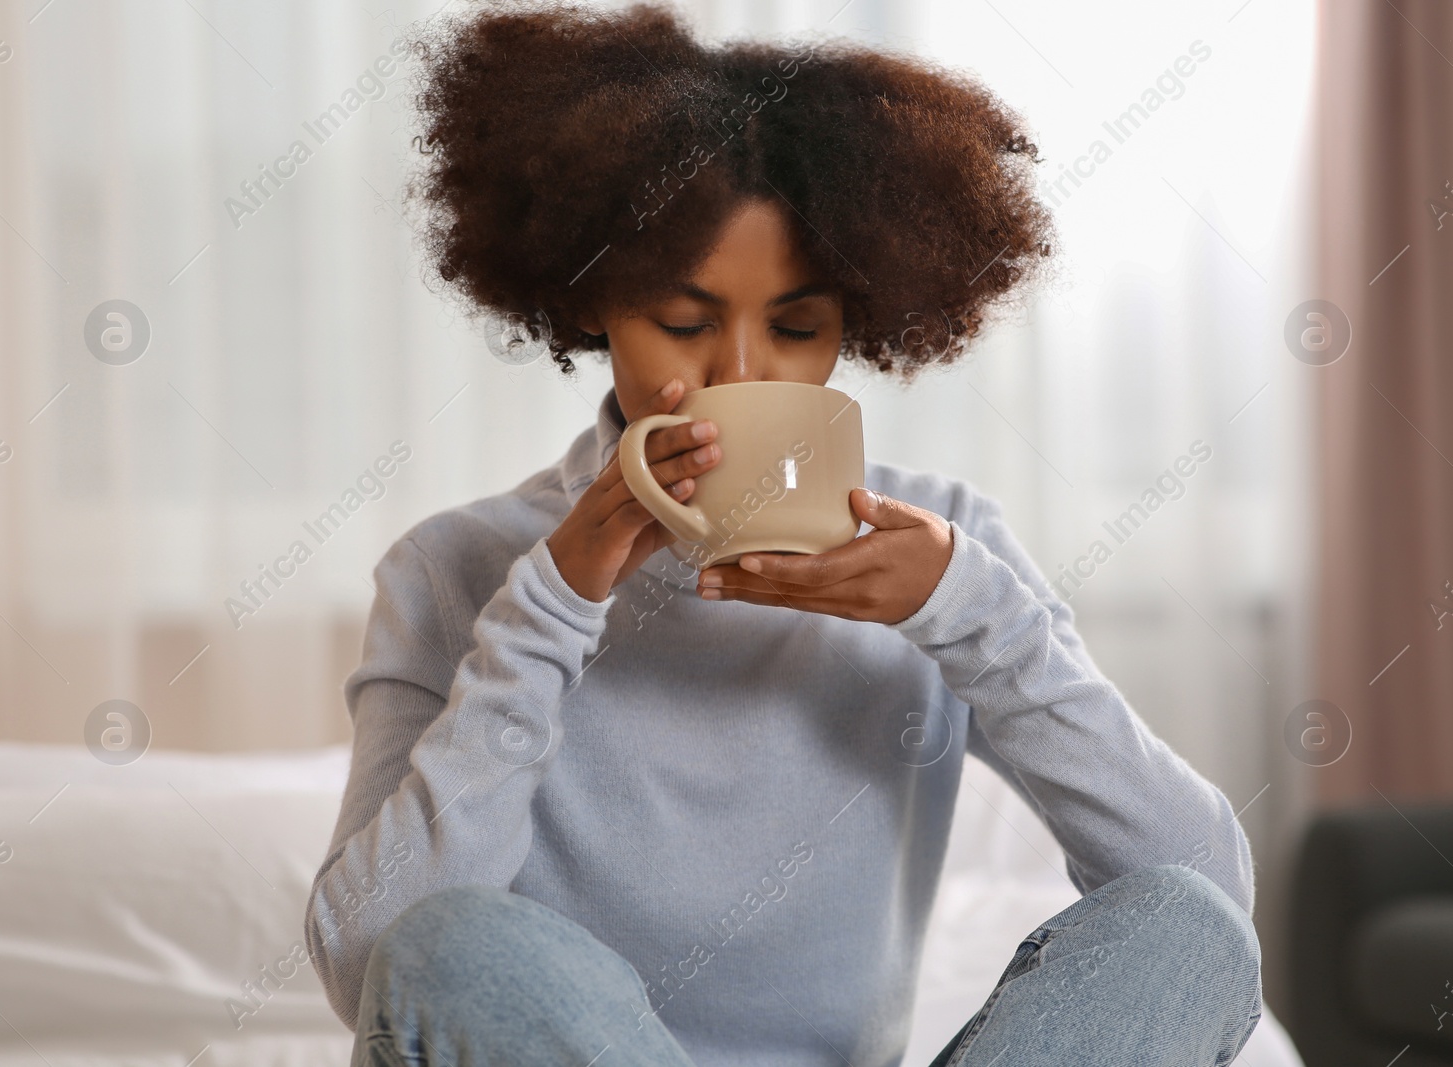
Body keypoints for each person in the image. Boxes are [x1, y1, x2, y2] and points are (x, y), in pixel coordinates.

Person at [305, 4, 1262, 1064]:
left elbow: (1207, 889)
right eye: (683, 322)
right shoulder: (457, 569)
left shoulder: (945, 557)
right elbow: (371, 959)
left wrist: (968, 612)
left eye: (798, 329)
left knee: (1187, 925)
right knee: (451, 941)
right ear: (588, 304)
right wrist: (548, 609)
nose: (741, 376)